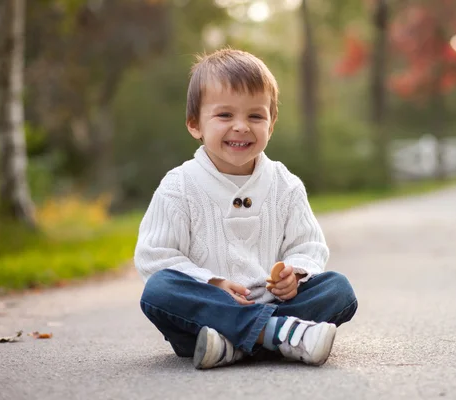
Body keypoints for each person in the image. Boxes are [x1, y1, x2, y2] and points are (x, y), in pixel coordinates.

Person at [134, 48, 358, 370]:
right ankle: (276, 335)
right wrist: (212, 283)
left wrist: (293, 273)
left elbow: (308, 245)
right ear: (195, 124)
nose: (241, 126)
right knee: (159, 290)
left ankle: (237, 345)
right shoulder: (179, 186)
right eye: (225, 115)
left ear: (271, 123)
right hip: (206, 315)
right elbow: (155, 257)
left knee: (339, 290)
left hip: (271, 305)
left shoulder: (285, 184)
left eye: (255, 116)